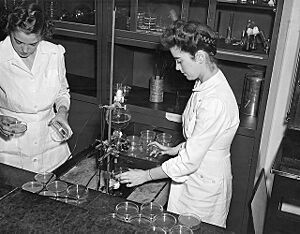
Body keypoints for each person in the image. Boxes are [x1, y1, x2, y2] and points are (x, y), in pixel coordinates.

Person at [116, 20, 240, 228]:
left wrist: (144, 176)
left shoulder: (214, 101)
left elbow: (191, 160)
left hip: (204, 189)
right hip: (194, 180)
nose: (176, 67)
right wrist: (172, 149)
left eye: (180, 61)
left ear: (200, 57)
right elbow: (200, 140)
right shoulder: (204, 82)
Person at [0, 2, 72, 173]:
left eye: (33, 44)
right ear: (10, 30)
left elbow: (62, 92)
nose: (24, 49)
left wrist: (62, 112)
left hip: (51, 147)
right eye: (18, 41)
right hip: (11, 150)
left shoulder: (54, 53)